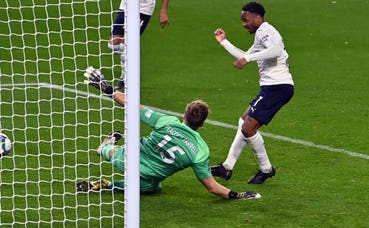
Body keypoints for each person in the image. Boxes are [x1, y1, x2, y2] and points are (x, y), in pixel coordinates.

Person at [80, 67, 260, 200]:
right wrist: (238, 195)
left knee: (109, 152)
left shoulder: (167, 121)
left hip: (125, 159)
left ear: (184, 115)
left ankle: (105, 148)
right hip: (147, 178)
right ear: (203, 124)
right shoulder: (200, 150)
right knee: (154, 188)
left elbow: (133, 106)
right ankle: (110, 184)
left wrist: (108, 89)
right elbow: (212, 187)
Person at [210, 2, 294, 184]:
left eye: (245, 20)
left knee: (248, 128)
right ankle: (227, 167)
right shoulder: (260, 35)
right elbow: (244, 55)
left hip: (277, 86)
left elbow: (276, 50)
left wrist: (248, 58)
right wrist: (224, 42)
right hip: (273, 87)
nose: (243, 24)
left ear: (257, 17)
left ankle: (266, 169)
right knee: (243, 120)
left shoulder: (267, 31)